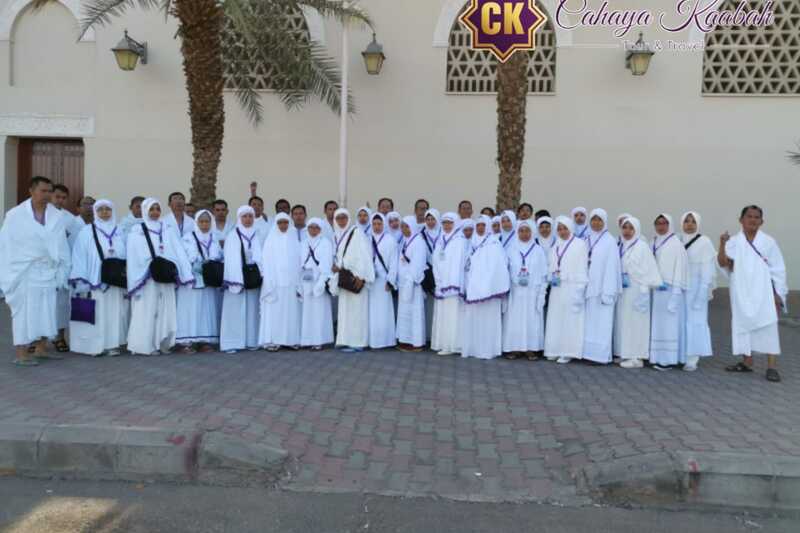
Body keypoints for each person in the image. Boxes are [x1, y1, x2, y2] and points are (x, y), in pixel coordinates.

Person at [0, 177, 71, 366]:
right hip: (24, 271)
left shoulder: (57, 216)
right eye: (43, 191)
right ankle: (22, 353)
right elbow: (6, 245)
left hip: (48, 270)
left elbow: (61, 244)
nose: (47, 195)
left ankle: (41, 348)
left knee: (47, 311)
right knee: (24, 313)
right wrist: (8, 273)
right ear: (31, 191)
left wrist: (63, 268)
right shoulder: (15, 215)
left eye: (49, 191)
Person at [719, 205, 788, 383]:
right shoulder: (733, 242)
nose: (753, 220)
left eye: (757, 217)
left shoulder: (769, 242)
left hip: (764, 293)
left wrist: (779, 293)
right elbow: (724, 264)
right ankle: (746, 362)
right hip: (742, 292)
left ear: (762, 221)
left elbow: (778, 269)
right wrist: (722, 244)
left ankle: (771, 367)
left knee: (768, 327)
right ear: (741, 220)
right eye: (749, 216)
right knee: (743, 326)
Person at [126, 198, 194, 356]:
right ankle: (145, 345)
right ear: (145, 211)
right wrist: (149, 265)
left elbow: (177, 250)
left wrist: (181, 270)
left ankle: (162, 343)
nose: (155, 212)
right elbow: (134, 255)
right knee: (148, 309)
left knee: (165, 310)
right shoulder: (137, 230)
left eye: (157, 209)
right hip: (147, 278)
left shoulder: (167, 229)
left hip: (165, 275)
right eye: (151, 209)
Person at [68, 199, 130, 356]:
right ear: (95, 212)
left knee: (116, 312)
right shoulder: (86, 231)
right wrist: (80, 278)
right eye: (100, 209)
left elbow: (127, 253)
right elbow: (79, 254)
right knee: (98, 312)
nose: (104, 212)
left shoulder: (120, 231)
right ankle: (95, 345)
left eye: (107, 209)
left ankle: (112, 345)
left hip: (115, 279)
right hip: (95, 279)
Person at [614, 217, 663, 369]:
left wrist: (643, 292)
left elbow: (649, 269)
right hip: (624, 290)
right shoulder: (621, 245)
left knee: (636, 323)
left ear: (636, 230)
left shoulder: (641, 246)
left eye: (631, 228)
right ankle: (626, 353)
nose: (627, 231)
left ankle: (637, 357)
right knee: (624, 322)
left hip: (637, 290)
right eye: (625, 227)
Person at [461, 215, 510, 359]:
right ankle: (473, 349)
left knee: (488, 320)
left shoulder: (494, 243)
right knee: (474, 319)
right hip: (474, 288)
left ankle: (488, 350)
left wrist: (487, 285)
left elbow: (498, 266)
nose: (480, 228)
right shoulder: (472, 242)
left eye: (483, 225)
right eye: (478, 225)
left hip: (489, 291)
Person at [175, 209, 223, 353]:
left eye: (207, 221)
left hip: (208, 280)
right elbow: (182, 257)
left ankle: (204, 341)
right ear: (196, 222)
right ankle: (186, 342)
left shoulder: (214, 238)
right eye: (201, 221)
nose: (204, 224)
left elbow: (220, 255)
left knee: (206, 311)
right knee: (190, 310)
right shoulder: (187, 238)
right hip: (192, 280)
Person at [544, 216, 589, 364]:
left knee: (570, 320)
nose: (562, 232)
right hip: (557, 287)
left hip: (572, 287)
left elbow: (582, 267)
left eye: (565, 228)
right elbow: (551, 264)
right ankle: (554, 349)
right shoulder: (556, 245)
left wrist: (579, 290)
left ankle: (568, 351)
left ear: (570, 228)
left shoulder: (579, 244)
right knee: (556, 319)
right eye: (559, 229)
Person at [502, 219, 548, 361]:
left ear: (532, 232)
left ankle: (530, 349)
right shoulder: (511, 249)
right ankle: (515, 348)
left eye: (527, 231)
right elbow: (505, 269)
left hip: (532, 292)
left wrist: (542, 293)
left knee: (532, 320)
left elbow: (544, 273)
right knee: (515, 320)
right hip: (515, 292)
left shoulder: (538, 250)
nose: (524, 234)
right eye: (521, 231)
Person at [330, 208, 375, 352]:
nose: (341, 221)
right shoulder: (337, 234)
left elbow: (365, 256)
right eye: (338, 218)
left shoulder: (357, 233)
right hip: (345, 277)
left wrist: (362, 276)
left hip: (356, 278)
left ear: (348, 218)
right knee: (345, 312)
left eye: (344, 217)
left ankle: (359, 342)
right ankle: (345, 340)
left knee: (358, 311)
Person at [220, 206, 263, 353]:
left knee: (252, 311)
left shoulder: (257, 234)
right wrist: (236, 279)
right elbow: (231, 259)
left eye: (250, 216)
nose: (248, 219)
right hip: (237, 278)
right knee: (234, 312)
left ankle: (251, 341)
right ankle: (232, 343)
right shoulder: (233, 235)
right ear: (239, 218)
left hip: (252, 277)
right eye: (245, 216)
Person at [649, 214, 689, 371]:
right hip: (656, 290)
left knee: (670, 325)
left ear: (669, 225)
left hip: (671, 291)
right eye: (658, 223)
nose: (661, 226)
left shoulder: (676, 244)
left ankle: (669, 359)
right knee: (658, 325)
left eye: (664, 223)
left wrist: (676, 292)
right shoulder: (653, 242)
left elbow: (680, 269)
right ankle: (657, 357)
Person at [582, 209, 622, 365]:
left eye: (599, 220)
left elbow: (612, 268)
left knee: (602, 323)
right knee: (589, 323)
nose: (596, 223)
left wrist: (608, 291)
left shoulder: (609, 241)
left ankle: (600, 356)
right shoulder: (586, 239)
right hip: (588, 289)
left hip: (602, 289)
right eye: (593, 219)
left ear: (604, 221)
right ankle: (587, 353)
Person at [259, 212, 302, 351]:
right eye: (280, 222)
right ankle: (273, 341)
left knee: (291, 312)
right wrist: (269, 280)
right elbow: (266, 262)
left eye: (285, 222)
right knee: (275, 312)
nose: (283, 225)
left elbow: (299, 261)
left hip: (291, 284)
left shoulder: (294, 240)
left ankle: (291, 340)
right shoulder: (270, 240)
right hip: (275, 283)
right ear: (276, 224)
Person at [680, 211, 717, 372]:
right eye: (686, 221)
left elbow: (707, 268)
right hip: (680, 286)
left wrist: (702, 291)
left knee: (695, 321)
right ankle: (680, 355)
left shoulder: (704, 242)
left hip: (696, 287)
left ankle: (692, 358)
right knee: (681, 321)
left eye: (693, 221)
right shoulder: (677, 239)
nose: (689, 224)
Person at [50, 183, 83, 351]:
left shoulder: (70, 219)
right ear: (50, 196)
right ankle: (35, 339)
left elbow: (74, 244)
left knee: (62, 304)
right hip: (42, 266)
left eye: (63, 198)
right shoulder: (39, 215)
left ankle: (60, 337)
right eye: (57, 197)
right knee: (40, 304)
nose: (60, 200)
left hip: (62, 267)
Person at [431, 212, 467, 355]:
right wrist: (438, 279)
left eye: (450, 223)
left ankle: (453, 345)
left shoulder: (459, 240)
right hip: (441, 282)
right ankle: (443, 343)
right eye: (444, 223)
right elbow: (435, 260)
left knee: (453, 315)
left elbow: (458, 264)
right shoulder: (441, 239)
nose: (447, 226)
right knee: (443, 315)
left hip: (453, 284)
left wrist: (451, 283)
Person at [299, 218, 334, 350]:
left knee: (319, 312)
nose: (313, 230)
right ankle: (307, 340)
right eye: (310, 227)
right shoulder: (303, 243)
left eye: (316, 227)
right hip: (306, 280)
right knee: (307, 312)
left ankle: (319, 340)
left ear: (320, 229)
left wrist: (321, 282)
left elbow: (327, 264)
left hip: (320, 281)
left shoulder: (325, 243)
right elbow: (299, 263)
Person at [396, 216, 427, 352]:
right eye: (402, 226)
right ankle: (406, 340)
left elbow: (418, 263)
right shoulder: (405, 241)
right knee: (405, 314)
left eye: (406, 226)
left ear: (413, 227)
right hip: (403, 283)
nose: (404, 229)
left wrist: (410, 279)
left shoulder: (419, 242)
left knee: (414, 314)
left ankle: (416, 342)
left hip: (413, 283)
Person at [368, 213, 398, 349]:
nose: (377, 226)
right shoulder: (367, 239)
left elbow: (394, 262)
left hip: (384, 281)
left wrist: (390, 280)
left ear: (384, 224)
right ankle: (372, 340)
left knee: (384, 311)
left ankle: (385, 341)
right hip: (370, 281)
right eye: (374, 224)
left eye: (379, 224)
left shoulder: (390, 240)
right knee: (372, 312)